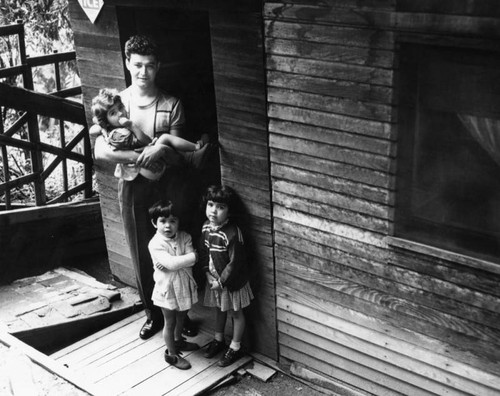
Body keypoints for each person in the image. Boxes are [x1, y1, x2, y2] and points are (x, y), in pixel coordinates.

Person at [93, 35, 202, 340]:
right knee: (142, 249)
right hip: (131, 185)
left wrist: (161, 150)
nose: (143, 72)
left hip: (167, 185)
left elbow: (181, 158)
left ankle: (183, 313)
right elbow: (100, 151)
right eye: (137, 65)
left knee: (174, 245)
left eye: (150, 66)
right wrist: (142, 155)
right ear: (127, 63)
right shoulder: (117, 103)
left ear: (158, 67)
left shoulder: (171, 104)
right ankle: (153, 314)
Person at [90, 88, 206, 181]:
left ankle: (194, 151)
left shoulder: (113, 129)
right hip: (148, 166)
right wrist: (132, 126)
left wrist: (102, 127)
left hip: (146, 163)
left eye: (120, 107)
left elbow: (93, 128)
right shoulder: (121, 133)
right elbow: (144, 142)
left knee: (164, 144)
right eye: (113, 113)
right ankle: (194, 151)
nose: (120, 113)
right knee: (165, 139)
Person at [198, 185, 254, 367]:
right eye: (211, 204)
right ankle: (218, 339)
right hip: (214, 279)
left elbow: (235, 263)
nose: (214, 210)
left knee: (236, 312)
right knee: (219, 308)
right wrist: (207, 274)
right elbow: (203, 252)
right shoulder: (206, 227)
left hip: (231, 282)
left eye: (220, 207)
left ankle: (235, 347)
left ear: (229, 211)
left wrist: (221, 282)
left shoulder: (231, 232)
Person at [148, 200, 199, 370]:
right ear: (154, 223)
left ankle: (178, 342)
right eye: (162, 221)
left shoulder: (185, 237)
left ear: (178, 222)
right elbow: (177, 262)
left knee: (182, 317)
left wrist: (176, 262)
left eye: (172, 221)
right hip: (167, 289)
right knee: (169, 322)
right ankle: (171, 354)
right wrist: (191, 258)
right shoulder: (155, 244)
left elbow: (177, 263)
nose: (168, 226)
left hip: (183, 285)